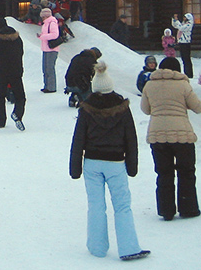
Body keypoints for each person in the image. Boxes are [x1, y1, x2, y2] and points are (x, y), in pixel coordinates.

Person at [69, 61, 149, 261]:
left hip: (92, 163)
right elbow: (130, 138)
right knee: (122, 205)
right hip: (115, 163)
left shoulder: (87, 109)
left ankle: (97, 247)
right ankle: (129, 247)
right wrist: (132, 166)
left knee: (96, 205)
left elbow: (78, 139)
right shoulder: (122, 108)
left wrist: (75, 168)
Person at [140, 56, 201, 221]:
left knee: (163, 173)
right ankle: (188, 208)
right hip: (182, 135)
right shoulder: (183, 84)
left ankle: (166, 210)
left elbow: (145, 110)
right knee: (186, 172)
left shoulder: (149, 84)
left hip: (157, 136)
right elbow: (199, 108)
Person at [38, 8, 60, 93]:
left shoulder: (52, 23)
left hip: (52, 49)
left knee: (50, 68)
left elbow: (55, 35)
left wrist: (43, 36)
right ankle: (47, 85)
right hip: (46, 48)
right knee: (45, 68)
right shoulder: (45, 24)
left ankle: (51, 87)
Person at [171, 13, 195, 77]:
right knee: (184, 59)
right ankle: (186, 72)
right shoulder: (184, 23)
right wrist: (174, 20)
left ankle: (189, 74)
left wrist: (177, 21)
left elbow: (181, 28)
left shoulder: (189, 25)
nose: (184, 18)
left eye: (185, 17)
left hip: (186, 43)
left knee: (186, 59)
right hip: (181, 42)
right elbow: (176, 26)